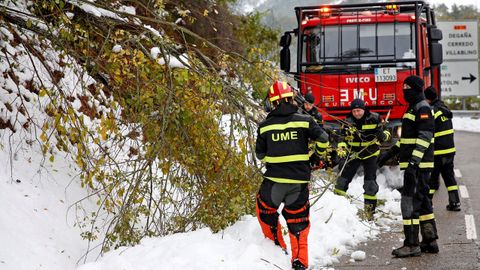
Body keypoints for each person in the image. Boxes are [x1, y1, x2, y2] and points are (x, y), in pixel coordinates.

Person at [255, 81, 329, 270]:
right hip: (299, 183)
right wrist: (316, 157)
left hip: (274, 183)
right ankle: (299, 262)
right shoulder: (305, 121)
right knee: (298, 222)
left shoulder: (264, 127)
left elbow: (260, 155)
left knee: (265, 211)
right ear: (291, 98)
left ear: (272, 103)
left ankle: (276, 249)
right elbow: (323, 139)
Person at [377, 75, 439, 257]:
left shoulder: (423, 108)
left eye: (407, 88)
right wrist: (389, 153)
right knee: (424, 202)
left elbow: (425, 137)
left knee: (409, 202)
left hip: (418, 165)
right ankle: (430, 240)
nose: (404, 92)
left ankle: (411, 244)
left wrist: (413, 163)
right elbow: (407, 140)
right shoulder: (413, 108)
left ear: (416, 89)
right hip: (417, 164)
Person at [333, 98, 391, 220]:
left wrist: (382, 135)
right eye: (354, 111)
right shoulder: (347, 121)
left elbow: (387, 134)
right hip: (354, 154)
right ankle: (337, 210)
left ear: (364, 109)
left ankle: (369, 213)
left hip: (370, 154)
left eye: (359, 111)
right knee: (341, 181)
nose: (356, 114)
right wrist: (342, 149)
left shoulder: (375, 118)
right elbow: (341, 138)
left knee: (370, 184)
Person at [424, 86, 461, 211]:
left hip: (438, 152)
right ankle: (455, 203)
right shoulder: (444, 108)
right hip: (449, 151)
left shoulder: (433, 111)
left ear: (427, 98)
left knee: (433, 179)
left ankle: (427, 204)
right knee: (449, 176)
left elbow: (428, 130)